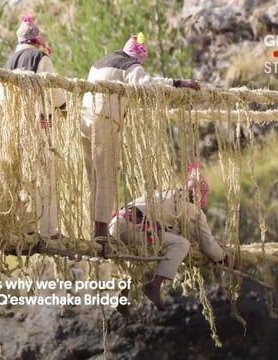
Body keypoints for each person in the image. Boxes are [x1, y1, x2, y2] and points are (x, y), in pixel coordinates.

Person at [81, 33, 200, 239]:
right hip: (105, 123)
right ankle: (101, 235)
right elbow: (147, 85)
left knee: (93, 180)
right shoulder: (130, 65)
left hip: (84, 122)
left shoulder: (99, 63)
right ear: (139, 58)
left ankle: (93, 230)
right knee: (106, 179)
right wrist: (178, 84)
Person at [109, 163, 227, 311]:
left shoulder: (166, 195)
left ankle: (123, 293)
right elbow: (209, 245)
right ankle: (154, 285)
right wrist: (223, 257)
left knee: (148, 249)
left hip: (117, 226)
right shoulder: (192, 210)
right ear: (198, 195)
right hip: (135, 228)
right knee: (181, 244)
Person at [2, 15, 67, 239]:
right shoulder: (40, 58)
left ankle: (25, 226)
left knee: (23, 176)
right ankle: (48, 230)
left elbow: (3, 97)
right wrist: (63, 108)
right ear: (36, 39)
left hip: (15, 126)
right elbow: (55, 89)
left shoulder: (9, 62)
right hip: (40, 124)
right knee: (45, 176)